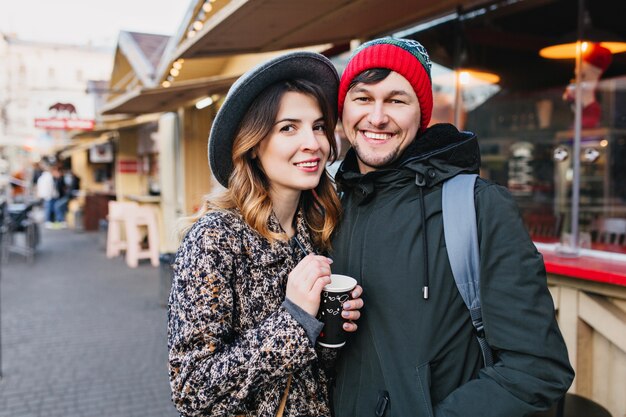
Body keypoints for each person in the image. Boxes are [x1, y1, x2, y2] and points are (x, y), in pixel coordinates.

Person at [330, 37, 574, 417]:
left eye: (396, 100)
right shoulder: (328, 207)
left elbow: (539, 367)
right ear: (343, 110)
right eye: (363, 98)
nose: (377, 117)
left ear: (421, 114)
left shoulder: (477, 206)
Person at [168, 52, 364, 417]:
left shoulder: (319, 228)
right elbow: (192, 390)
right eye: (289, 127)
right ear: (255, 144)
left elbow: (310, 374)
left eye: (319, 126)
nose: (313, 143)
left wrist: (333, 330)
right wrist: (295, 320)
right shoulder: (215, 239)